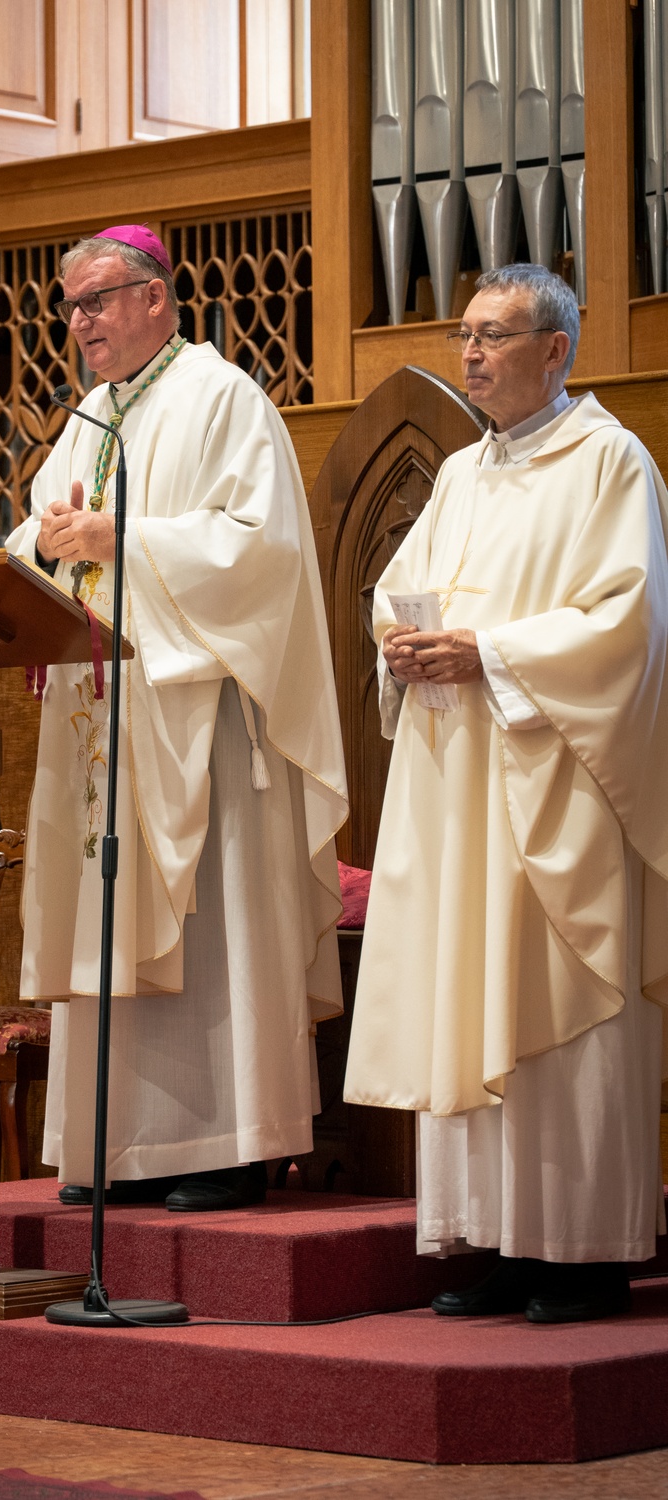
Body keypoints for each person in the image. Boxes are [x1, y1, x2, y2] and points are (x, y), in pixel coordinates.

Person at [343, 263, 668, 1321]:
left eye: (492, 335)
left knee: (556, 1004)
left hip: (558, 782)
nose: (471, 354)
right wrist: (402, 640)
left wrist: (490, 652)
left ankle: (581, 1251)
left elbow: (628, 624)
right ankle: (497, 1240)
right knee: (475, 995)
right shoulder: (465, 474)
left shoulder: (609, 462)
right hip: (466, 784)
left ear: (556, 350)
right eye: (466, 335)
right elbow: (404, 585)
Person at [5, 225, 347, 1210]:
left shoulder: (223, 398)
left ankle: (228, 1145)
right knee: (103, 920)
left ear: (156, 297)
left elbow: (261, 550)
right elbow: (40, 528)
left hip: (202, 715)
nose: (79, 323)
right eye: (70, 306)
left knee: (211, 925)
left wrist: (118, 537)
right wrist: (47, 550)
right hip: (103, 713)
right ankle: (110, 1148)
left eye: (97, 300)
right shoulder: (87, 417)